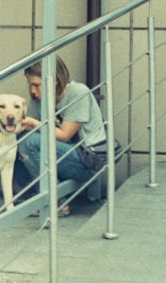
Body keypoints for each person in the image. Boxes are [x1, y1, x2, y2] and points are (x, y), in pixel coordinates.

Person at [14, 56, 107, 211]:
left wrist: (36, 124)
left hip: (88, 159)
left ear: (54, 81)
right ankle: (43, 196)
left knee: (29, 142)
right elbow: (27, 130)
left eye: (36, 85)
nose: (32, 91)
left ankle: (56, 202)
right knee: (17, 144)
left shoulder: (78, 92)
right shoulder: (38, 99)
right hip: (62, 153)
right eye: (30, 85)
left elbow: (64, 135)